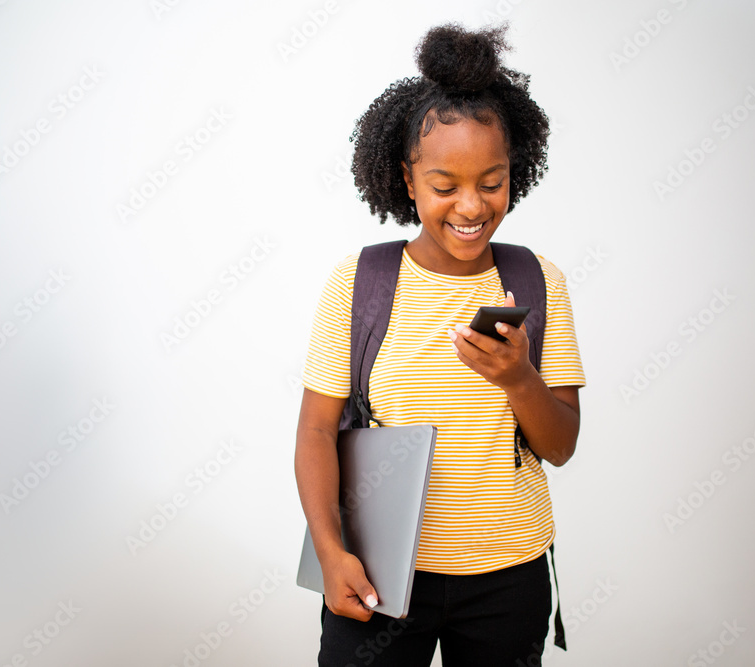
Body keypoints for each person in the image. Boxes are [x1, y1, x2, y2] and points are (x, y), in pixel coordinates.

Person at [295, 22, 586, 667]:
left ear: (517, 171)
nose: (471, 205)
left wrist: (517, 377)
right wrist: (330, 550)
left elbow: (560, 445)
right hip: (379, 571)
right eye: (444, 184)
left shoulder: (537, 281)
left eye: (492, 180)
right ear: (407, 179)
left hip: (509, 577)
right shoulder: (359, 282)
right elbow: (316, 430)